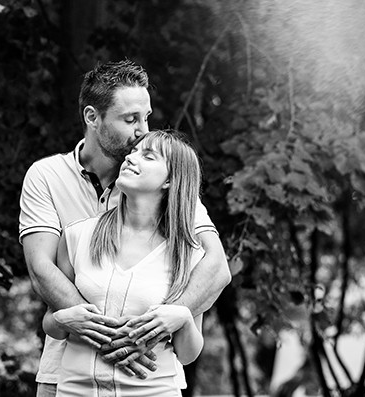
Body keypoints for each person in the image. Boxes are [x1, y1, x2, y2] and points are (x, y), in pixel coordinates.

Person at [19, 60, 230, 397]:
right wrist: (108, 337)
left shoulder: (159, 181)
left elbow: (216, 266)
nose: (143, 130)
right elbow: (41, 269)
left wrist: (159, 326)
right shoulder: (47, 177)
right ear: (92, 117)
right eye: (131, 119)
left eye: (146, 117)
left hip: (148, 375)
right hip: (66, 372)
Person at [43, 130, 211, 396]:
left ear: (170, 181)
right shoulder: (77, 236)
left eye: (148, 156)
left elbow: (188, 355)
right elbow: (51, 324)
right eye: (133, 152)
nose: (131, 159)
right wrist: (63, 320)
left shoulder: (187, 253)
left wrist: (184, 318)